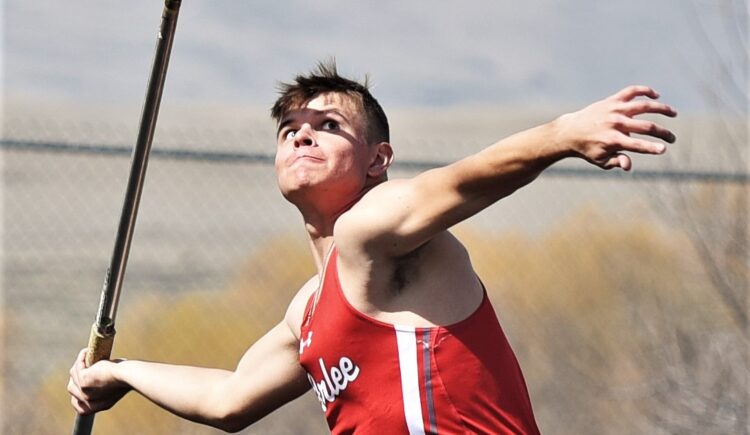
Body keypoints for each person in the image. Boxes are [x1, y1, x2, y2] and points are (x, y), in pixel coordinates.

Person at [68, 61, 677, 434]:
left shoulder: (373, 230)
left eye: (329, 126)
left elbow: (466, 179)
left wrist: (562, 134)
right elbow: (228, 400)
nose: (303, 132)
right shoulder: (308, 310)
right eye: (290, 131)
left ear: (378, 160)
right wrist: (119, 373)